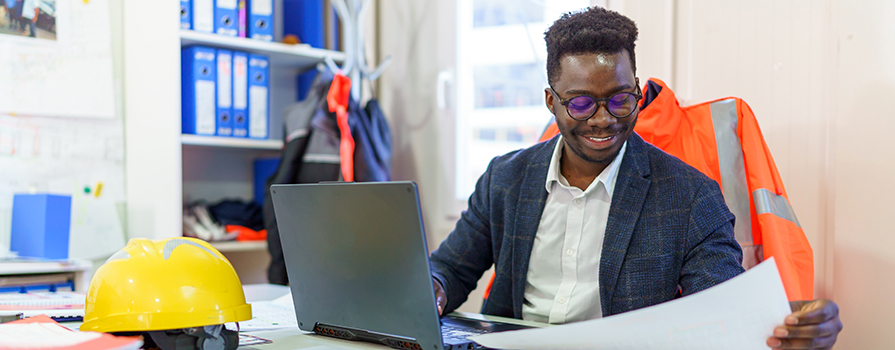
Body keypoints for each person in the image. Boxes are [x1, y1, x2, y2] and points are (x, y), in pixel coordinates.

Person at [428, 6, 842, 350]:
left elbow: (721, 313)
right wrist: (434, 288)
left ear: (638, 93)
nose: (604, 119)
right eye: (582, 103)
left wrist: (790, 329)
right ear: (551, 102)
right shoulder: (506, 178)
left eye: (621, 100)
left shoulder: (691, 196)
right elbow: (450, 268)